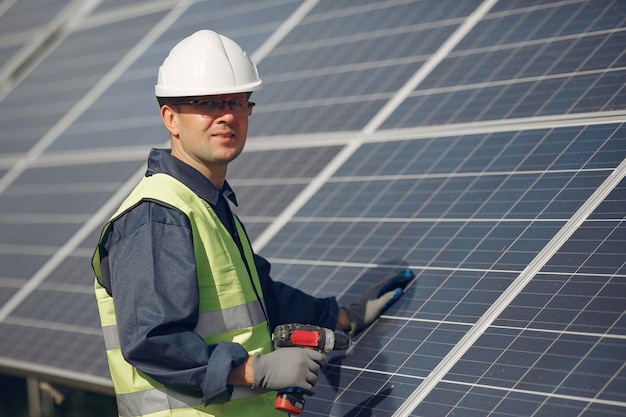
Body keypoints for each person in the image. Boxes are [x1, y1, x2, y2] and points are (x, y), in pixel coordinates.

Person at [92, 30, 414, 417]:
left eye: (238, 102)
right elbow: (152, 341)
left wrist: (342, 316)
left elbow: (259, 296)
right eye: (208, 103)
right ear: (171, 118)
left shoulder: (206, 203)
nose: (227, 115)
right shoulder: (158, 215)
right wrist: (252, 369)